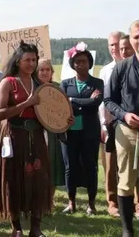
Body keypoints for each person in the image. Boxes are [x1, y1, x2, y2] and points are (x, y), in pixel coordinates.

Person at [0, 42, 73, 237]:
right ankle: (17, 228)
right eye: (27, 60)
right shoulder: (8, 82)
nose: (31, 63)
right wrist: (26, 103)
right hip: (13, 135)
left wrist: (64, 119)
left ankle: (36, 228)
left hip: (36, 136)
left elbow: (50, 113)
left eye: (34, 60)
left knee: (39, 178)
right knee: (13, 179)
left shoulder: (40, 86)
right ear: (18, 61)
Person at [59, 42, 104, 215]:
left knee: (90, 166)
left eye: (84, 61)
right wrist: (81, 102)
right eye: (77, 62)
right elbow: (62, 104)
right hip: (69, 132)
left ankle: (91, 204)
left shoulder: (97, 82)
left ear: (89, 63)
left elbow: (95, 103)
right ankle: (71, 203)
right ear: (72, 64)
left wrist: (72, 101)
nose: (80, 64)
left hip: (90, 131)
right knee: (70, 167)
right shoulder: (65, 83)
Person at [104, 20, 139, 237]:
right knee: (125, 181)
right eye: (137, 36)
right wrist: (124, 114)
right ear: (131, 39)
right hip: (128, 131)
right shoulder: (122, 68)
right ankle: (128, 231)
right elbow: (109, 100)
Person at [99, 31, 127, 217]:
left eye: (117, 45)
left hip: (127, 123)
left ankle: (133, 202)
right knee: (110, 166)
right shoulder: (105, 70)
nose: (114, 49)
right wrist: (102, 124)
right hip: (109, 125)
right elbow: (102, 100)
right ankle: (112, 202)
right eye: (111, 45)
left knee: (130, 165)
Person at [36, 59, 65, 188]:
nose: (44, 72)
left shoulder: (58, 87)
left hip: (53, 132)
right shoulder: (31, 87)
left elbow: (65, 109)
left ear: (52, 72)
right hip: (36, 130)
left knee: (52, 164)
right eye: (41, 70)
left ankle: (50, 198)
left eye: (47, 69)